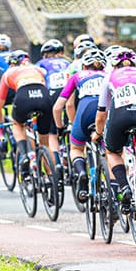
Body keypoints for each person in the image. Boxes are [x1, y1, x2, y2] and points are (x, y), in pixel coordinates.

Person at [91, 47, 136, 211]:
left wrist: (98, 133)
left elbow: (101, 113)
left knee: (112, 153)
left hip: (121, 115)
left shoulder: (109, 76)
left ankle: (124, 188)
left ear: (114, 64)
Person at [53, 45, 107, 202]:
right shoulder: (109, 75)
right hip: (104, 113)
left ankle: (81, 172)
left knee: (76, 148)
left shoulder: (77, 76)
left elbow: (59, 107)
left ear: (84, 65)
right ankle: (113, 187)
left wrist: (60, 128)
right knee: (112, 151)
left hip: (84, 110)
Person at [0, 50, 50, 179]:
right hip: (43, 96)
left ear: (12, 64)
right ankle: (53, 177)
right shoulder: (38, 69)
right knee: (45, 143)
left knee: (17, 124)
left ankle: (24, 155)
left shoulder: (8, 73)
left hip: (23, 96)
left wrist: (0, 124)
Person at [37, 39, 72, 174]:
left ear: (45, 54)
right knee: (70, 125)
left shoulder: (41, 63)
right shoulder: (67, 62)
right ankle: (69, 156)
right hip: (69, 94)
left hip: (51, 94)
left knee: (52, 133)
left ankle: (57, 164)